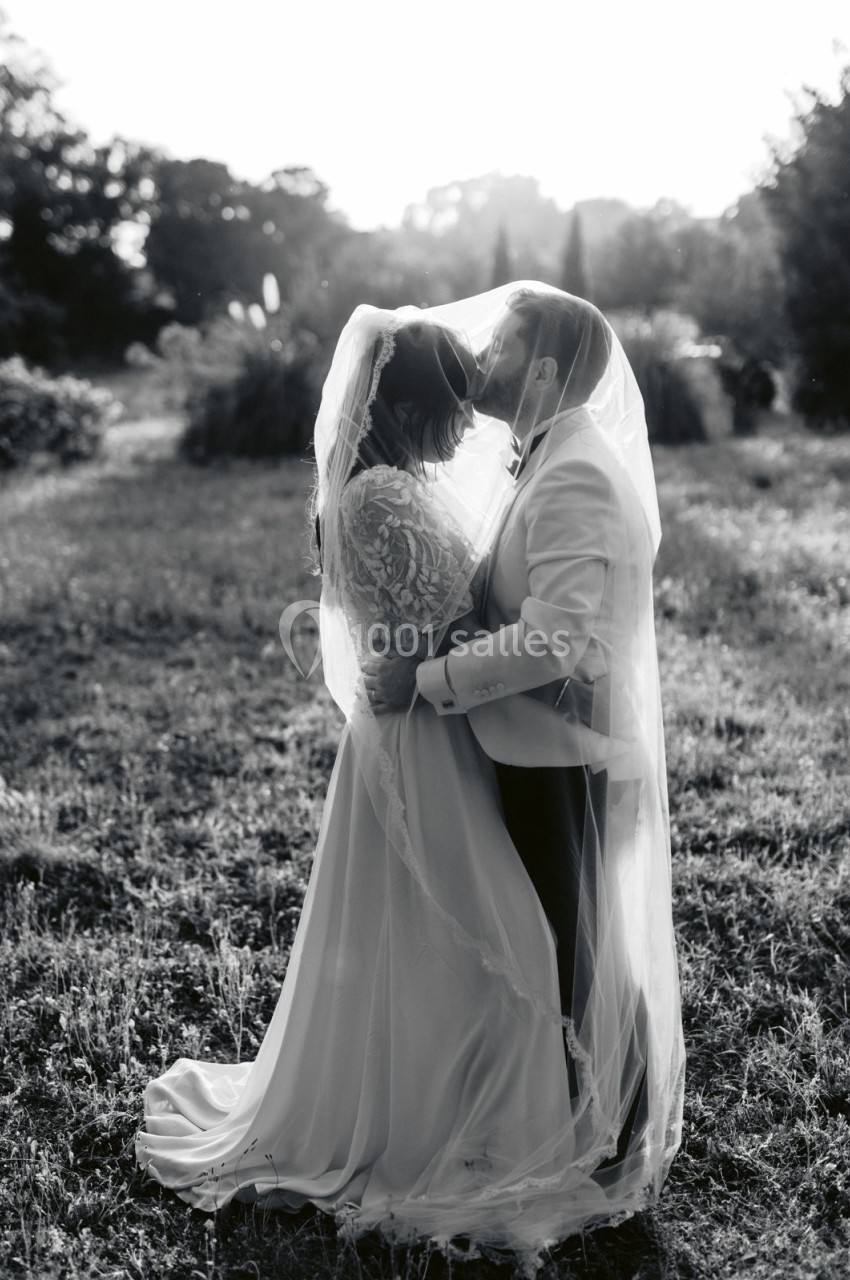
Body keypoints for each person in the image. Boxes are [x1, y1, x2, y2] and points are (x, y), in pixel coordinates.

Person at [136, 288, 684, 1270]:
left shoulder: (571, 473)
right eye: (471, 361)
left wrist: (422, 668)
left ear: (551, 364)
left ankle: (611, 1135)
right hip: (456, 743)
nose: (482, 371)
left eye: (505, 345)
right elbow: (453, 604)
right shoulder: (426, 484)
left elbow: (550, 634)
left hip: (547, 752)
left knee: (573, 948)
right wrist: (418, 656)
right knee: (526, 943)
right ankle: (527, 1121)